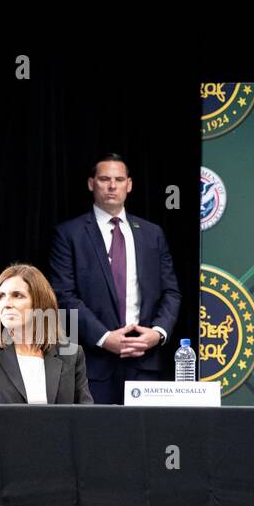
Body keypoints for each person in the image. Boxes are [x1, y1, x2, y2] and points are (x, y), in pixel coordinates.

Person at [49, 153, 180, 404]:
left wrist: (158, 333)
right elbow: (63, 296)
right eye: (104, 179)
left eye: (119, 179)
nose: (112, 186)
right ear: (91, 183)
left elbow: (171, 292)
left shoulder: (152, 234)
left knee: (144, 441)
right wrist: (104, 338)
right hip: (92, 367)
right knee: (97, 440)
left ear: (129, 185)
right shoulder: (69, 234)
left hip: (145, 365)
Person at [0, 263, 93, 404]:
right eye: (0, 296)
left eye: (17, 295)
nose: (6, 303)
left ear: (40, 303)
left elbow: (86, 418)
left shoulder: (70, 354)